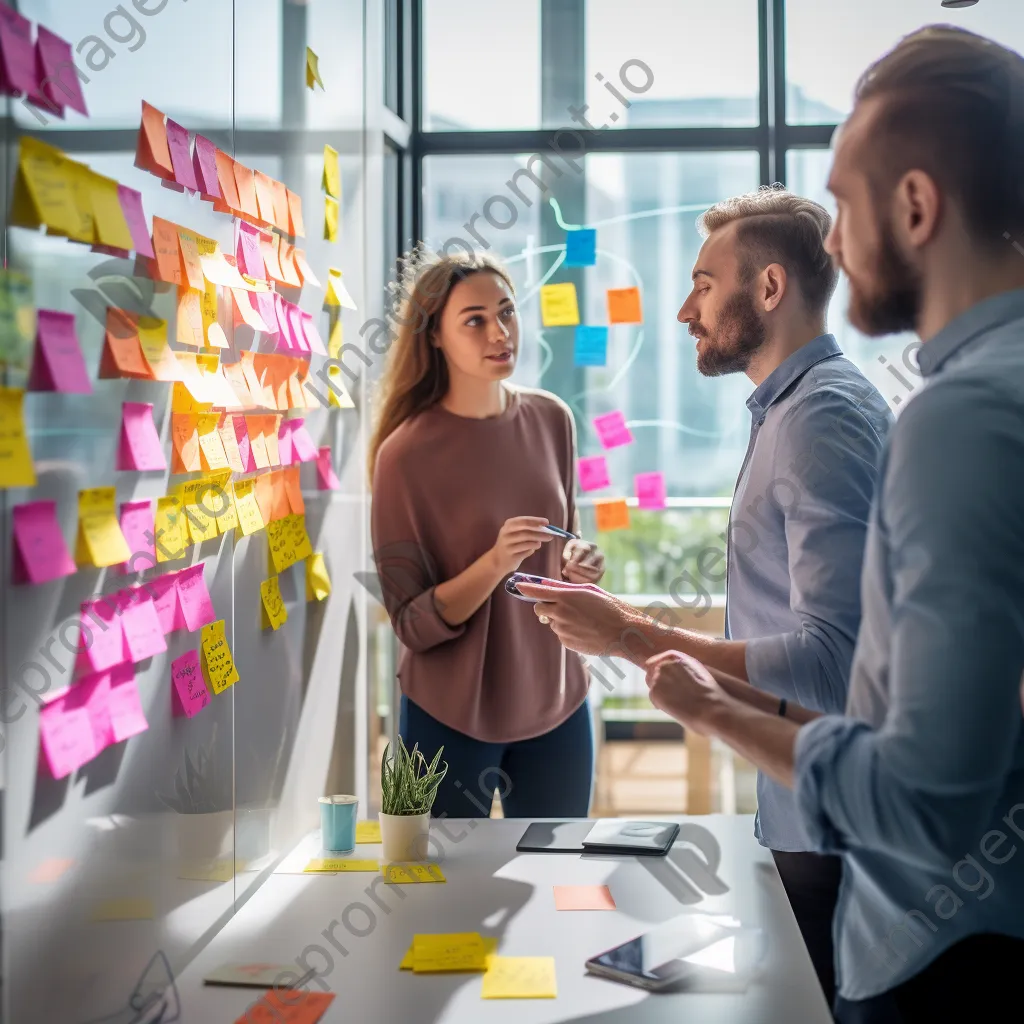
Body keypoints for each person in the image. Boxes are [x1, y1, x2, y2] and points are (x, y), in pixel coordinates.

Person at [629, 25, 1024, 1022]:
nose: (834, 246)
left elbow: (920, 799)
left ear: (917, 205)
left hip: (935, 946)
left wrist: (704, 703)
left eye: (844, 203)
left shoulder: (958, 416)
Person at [520, 186, 892, 1007]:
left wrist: (628, 632)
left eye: (702, 283)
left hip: (834, 826)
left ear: (768, 288)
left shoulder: (820, 421)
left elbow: (837, 664)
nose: (686, 310)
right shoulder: (789, 410)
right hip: (808, 811)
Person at [368, 248, 605, 820]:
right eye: (474, 320)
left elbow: (562, 538)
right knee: (442, 894)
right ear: (435, 337)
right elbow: (412, 623)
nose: (499, 332)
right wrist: (496, 562)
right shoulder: (403, 456)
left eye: (507, 311)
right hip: (446, 713)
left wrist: (580, 566)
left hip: (556, 697)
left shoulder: (553, 418)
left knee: (557, 880)